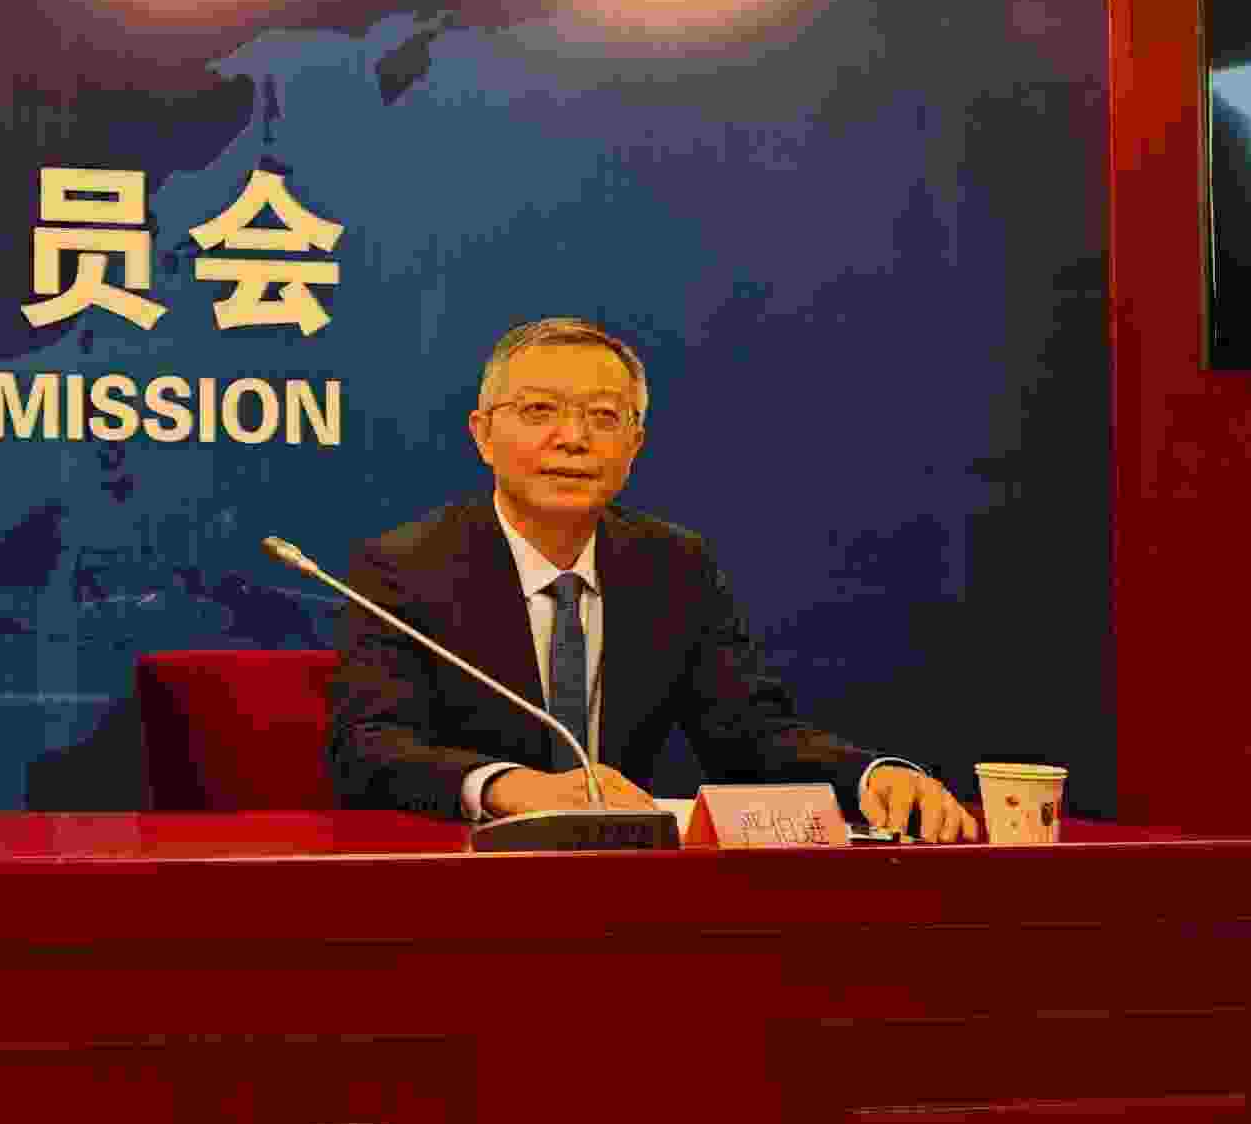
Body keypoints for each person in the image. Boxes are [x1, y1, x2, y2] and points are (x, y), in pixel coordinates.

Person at [327, 314, 977, 840]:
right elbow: (369, 748)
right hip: (464, 877)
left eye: (604, 416)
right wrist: (512, 787)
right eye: (539, 411)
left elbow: (751, 734)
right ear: (483, 434)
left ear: (635, 445)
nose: (573, 438)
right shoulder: (404, 567)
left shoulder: (673, 566)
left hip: (629, 880)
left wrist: (870, 777)